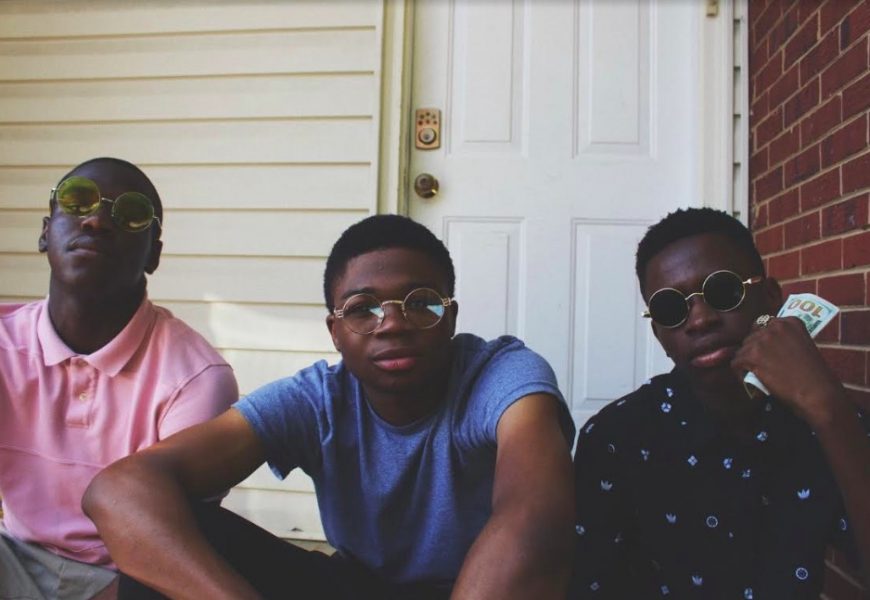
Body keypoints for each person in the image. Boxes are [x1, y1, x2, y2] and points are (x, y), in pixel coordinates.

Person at [83, 214, 576, 600]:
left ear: (450, 318)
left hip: (482, 588)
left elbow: (531, 514)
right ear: (335, 332)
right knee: (172, 540)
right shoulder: (317, 399)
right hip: (357, 589)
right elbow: (119, 491)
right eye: (363, 308)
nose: (392, 323)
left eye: (420, 302)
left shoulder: (503, 376)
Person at [571, 207, 869, 598]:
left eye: (723, 291)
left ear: (770, 297)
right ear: (658, 333)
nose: (699, 320)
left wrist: (829, 410)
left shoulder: (826, 421)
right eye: (671, 308)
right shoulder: (616, 439)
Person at [0, 158, 239, 600]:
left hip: (129, 578)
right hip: (14, 556)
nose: (95, 221)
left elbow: (174, 545)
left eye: (130, 213)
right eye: (77, 201)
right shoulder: (4, 344)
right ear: (45, 231)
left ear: (153, 255)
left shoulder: (196, 379)